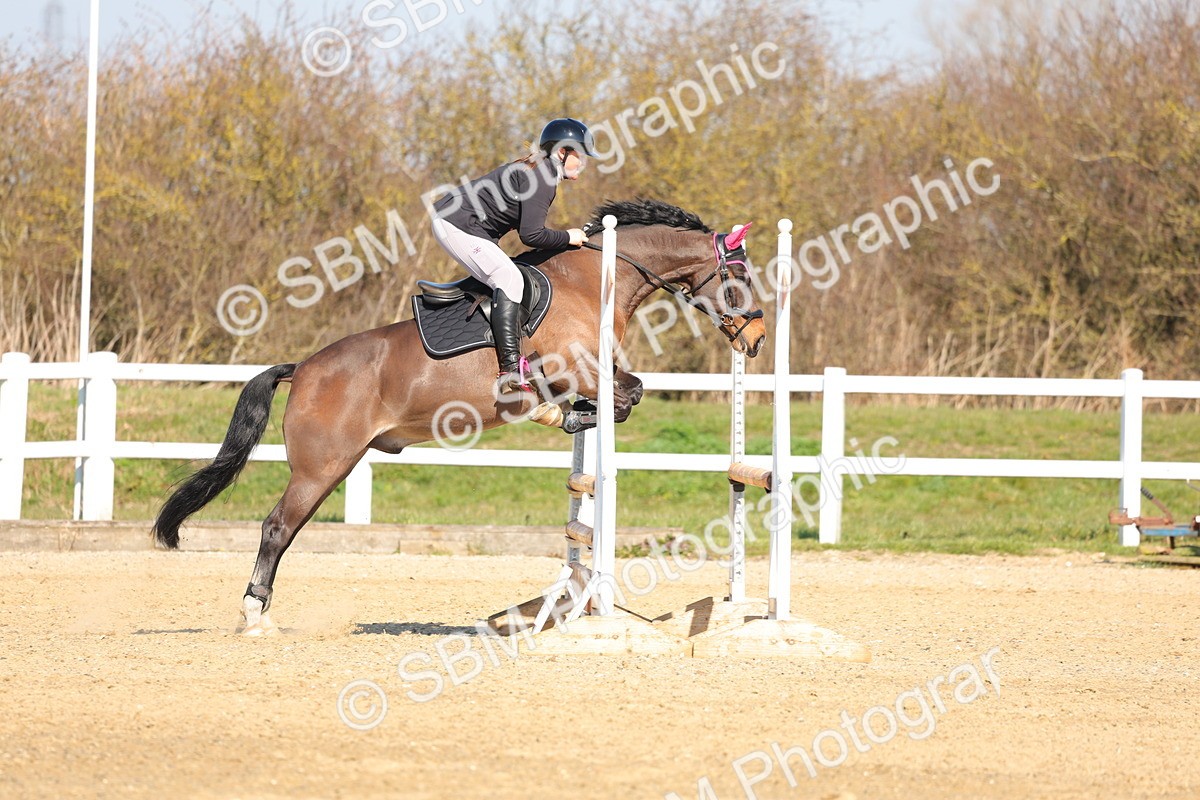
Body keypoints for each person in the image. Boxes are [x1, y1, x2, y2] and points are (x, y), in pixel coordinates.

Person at [431, 117, 598, 393]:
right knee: (509, 277)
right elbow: (531, 236)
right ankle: (509, 370)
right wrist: (569, 236)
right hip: (455, 223)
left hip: (461, 222)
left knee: (505, 274)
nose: (582, 162)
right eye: (578, 155)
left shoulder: (539, 170)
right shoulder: (541, 178)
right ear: (561, 152)